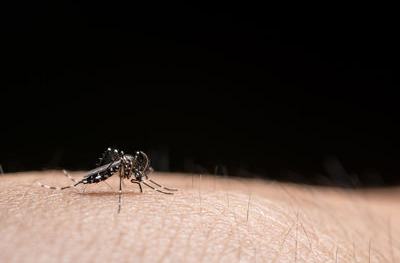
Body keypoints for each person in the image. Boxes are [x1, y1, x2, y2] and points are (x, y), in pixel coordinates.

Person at [0, 171, 398, 262]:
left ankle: (72, 184)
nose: (140, 178)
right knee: (114, 161)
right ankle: (76, 183)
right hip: (108, 167)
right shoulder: (125, 169)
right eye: (140, 175)